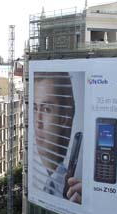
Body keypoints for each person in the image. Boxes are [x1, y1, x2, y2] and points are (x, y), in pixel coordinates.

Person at [33, 71, 82, 204]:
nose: (38, 122)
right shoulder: (35, 181)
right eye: (35, 108)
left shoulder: (75, 191)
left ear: (64, 118)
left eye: (46, 109)